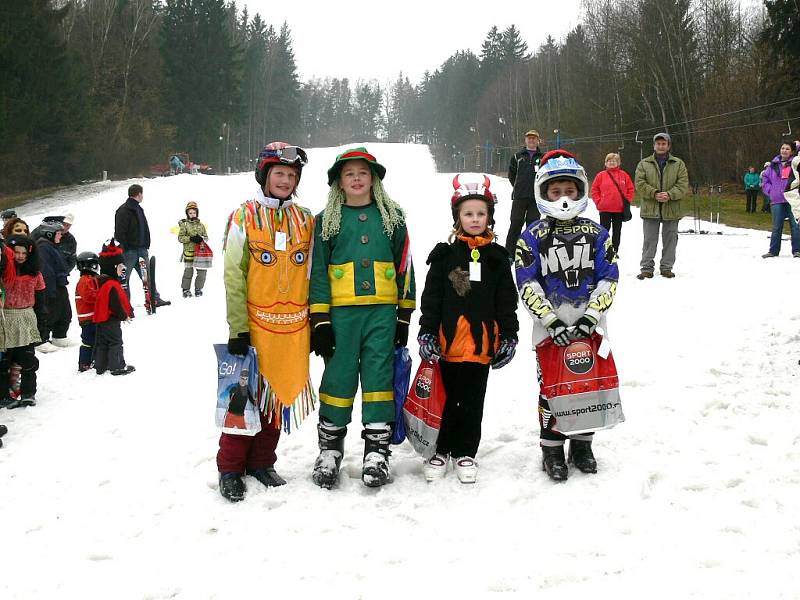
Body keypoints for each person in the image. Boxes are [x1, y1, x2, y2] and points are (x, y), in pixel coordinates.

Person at [309, 146, 415, 489]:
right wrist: (320, 319)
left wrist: (404, 313)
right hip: (340, 317)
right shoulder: (326, 222)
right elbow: (318, 274)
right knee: (338, 377)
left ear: (374, 179)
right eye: (349, 173)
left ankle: (377, 450)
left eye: (363, 173)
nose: (356, 179)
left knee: (378, 377)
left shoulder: (393, 217)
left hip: (382, 315)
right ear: (338, 182)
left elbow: (406, 266)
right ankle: (330, 448)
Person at [218, 142, 315, 502]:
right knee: (242, 400)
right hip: (255, 326)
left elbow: (313, 272)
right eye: (279, 174)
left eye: (291, 175)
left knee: (277, 398)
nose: (285, 180)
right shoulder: (244, 216)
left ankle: (262, 461)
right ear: (264, 175)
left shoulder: (305, 219)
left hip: (292, 330)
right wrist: (237, 326)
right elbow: (233, 273)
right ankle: (230, 467)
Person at [514, 150, 619, 481]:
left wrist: (591, 315)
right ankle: (552, 447)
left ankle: (583, 443)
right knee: (551, 388)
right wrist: (549, 319)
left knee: (588, 383)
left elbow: (610, 276)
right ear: (544, 192)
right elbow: (526, 280)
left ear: (581, 191)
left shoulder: (598, 234)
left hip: (589, 326)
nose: (563, 198)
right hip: (549, 329)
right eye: (556, 192)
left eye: (569, 191)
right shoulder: (532, 236)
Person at [417, 174, 519, 483]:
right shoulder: (445, 256)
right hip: (448, 344)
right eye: (468, 213)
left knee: (473, 401)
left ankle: (465, 452)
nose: (475, 219)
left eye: (481, 213)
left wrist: (510, 336)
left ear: (489, 217)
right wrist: (427, 332)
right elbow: (431, 298)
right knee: (446, 399)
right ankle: (441, 449)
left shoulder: (498, 259)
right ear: (457, 217)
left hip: (481, 344)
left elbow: (506, 302)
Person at [634, 132, 689, 279]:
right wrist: (654, 193)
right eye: (658, 143)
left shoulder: (679, 164)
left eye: (663, 143)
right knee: (649, 240)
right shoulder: (644, 164)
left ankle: (666, 267)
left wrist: (670, 194)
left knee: (671, 240)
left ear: (668, 145)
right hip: (650, 209)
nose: (661, 146)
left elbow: (683, 185)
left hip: (672, 209)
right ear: (654, 145)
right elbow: (639, 184)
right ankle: (646, 268)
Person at [0, 236, 45, 408]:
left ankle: (28, 393)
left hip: (26, 318)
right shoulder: (4, 272)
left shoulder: (35, 274)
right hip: (6, 318)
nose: (19, 256)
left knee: (27, 359)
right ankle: (4, 395)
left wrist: (42, 325)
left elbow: (41, 301)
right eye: (16, 252)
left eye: (23, 253)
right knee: (4, 361)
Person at [114, 184, 169, 308]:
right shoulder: (124, 210)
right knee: (124, 279)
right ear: (139, 194)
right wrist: (124, 248)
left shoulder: (138, 208)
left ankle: (154, 299)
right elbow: (120, 232)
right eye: (142, 194)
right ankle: (124, 305)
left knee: (148, 276)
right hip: (129, 251)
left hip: (141, 249)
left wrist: (145, 243)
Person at [93, 239, 135, 376]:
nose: (123, 268)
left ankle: (101, 365)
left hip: (102, 320)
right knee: (115, 342)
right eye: (120, 265)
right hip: (111, 319)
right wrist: (123, 315)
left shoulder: (103, 282)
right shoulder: (111, 284)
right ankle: (117, 366)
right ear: (113, 267)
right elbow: (115, 304)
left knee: (103, 343)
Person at [35, 220, 74, 350]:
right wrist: (49, 291)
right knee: (49, 313)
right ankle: (42, 339)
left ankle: (59, 335)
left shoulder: (52, 246)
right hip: (50, 288)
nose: (61, 236)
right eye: (58, 233)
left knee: (64, 312)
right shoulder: (43, 248)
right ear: (50, 234)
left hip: (60, 285)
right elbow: (46, 271)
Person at [505, 130, 544, 255]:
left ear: (538, 141)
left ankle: (530, 254)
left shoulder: (543, 158)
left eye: (534, 138)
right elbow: (512, 175)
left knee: (532, 227)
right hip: (519, 197)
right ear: (525, 140)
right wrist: (518, 187)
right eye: (529, 138)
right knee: (515, 224)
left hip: (535, 199)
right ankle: (509, 254)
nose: (531, 140)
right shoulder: (517, 157)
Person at [590, 152, 635, 256]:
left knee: (617, 232)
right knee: (604, 231)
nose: (611, 163)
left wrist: (627, 200)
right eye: (609, 161)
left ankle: (614, 251)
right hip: (604, 209)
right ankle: (603, 250)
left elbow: (630, 189)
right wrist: (598, 202)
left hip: (619, 209)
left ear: (618, 163)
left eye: (614, 161)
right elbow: (594, 190)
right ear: (605, 163)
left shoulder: (624, 175)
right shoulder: (600, 176)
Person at [761, 141, 800, 258]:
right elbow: (765, 178)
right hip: (777, 200)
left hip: (793, 199)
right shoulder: (773, 164)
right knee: (777, 226)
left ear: (792, 151)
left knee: (796, 226)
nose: (784, 150)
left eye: (787, 149)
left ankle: (797, 250)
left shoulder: (796, 163)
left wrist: (797, 145)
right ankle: (773, 251)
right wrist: (770, 191)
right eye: (782, 148)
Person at [75, 251, 101, 372]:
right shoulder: (85, 280)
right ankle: (84, 362)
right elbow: (89, 296)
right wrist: (101, 295)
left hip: (92, 317)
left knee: (94, 340)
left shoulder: (90, 279)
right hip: (88, 319)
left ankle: (93, 359)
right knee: (88, 341)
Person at [177, 201, 209, 298]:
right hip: (189, 252)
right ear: (187, 214)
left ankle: (198, 289)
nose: (192, 215)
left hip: (200, 252)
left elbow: (206, 237)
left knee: (202, 271)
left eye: (194, 213)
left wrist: (202, 239)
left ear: (197, 213)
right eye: (190, 213)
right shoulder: (184, 225)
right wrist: (190, 238)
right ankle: (186, 289)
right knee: (188, 271)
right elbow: (180, 238)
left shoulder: (201, 225)